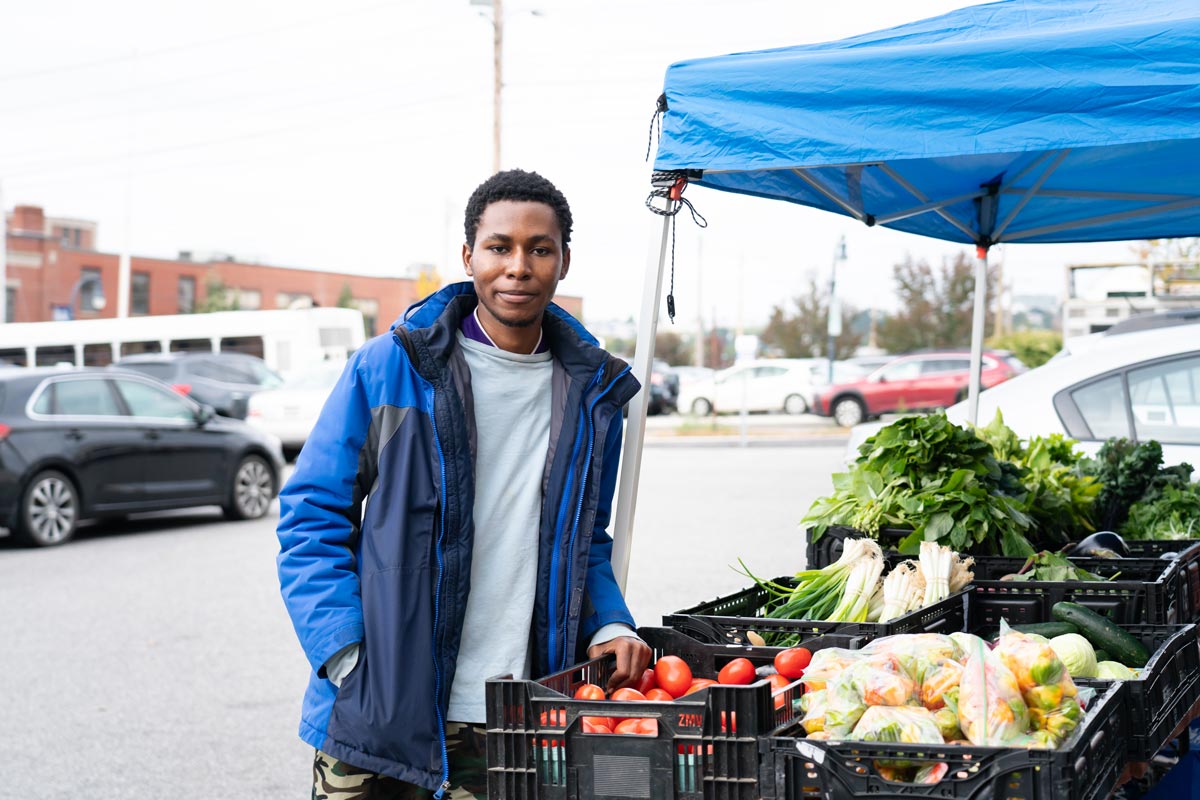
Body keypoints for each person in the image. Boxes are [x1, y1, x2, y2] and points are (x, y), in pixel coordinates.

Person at [276, 169, 651, 800]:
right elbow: (312, 516)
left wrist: (609, 622)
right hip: (383, 706)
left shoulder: (593, 395)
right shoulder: (392, 367)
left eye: (540, 248)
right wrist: (346, 655)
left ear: (563, 261)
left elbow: (586, 537)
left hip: (518, 712)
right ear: (468, 255)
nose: (518, 266)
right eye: (500, 247)